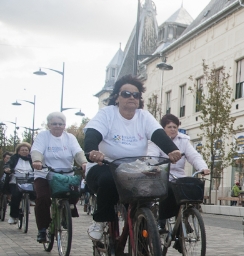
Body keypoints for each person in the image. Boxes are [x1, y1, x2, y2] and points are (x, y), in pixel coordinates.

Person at [83, 75, 181, 240]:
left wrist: (172, 150)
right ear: (117, 97)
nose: (131, 97)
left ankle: (147, 239)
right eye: (126, 93)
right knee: (108, 181)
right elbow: (93, 134)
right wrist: (93, 151)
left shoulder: (144, 116)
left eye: (135, 95)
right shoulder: (106, 114)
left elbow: (158, 134)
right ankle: (100, 221)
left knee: (163, 186)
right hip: (104, 166)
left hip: (134, 169)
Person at [30, 112, 88, 242]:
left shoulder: (70, 138)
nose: (57, 126)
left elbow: (78, 151)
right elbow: (36, 150)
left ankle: (64, 214)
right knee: (43, 198)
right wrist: (37, 161)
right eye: (54, 123)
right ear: (49, 125)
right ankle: (42, 230)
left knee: (75, 193)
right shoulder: (43, 136)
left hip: (65, 174)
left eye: (60, 124)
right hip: (45, 173)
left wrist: (83, 162)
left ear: (64, 125)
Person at [146, 113, 210, 227]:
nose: (172, 129)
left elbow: (194, 156)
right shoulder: (157, 140)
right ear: (163, 128)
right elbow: (152, 157)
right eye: (169, 127)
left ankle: (184, 218)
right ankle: (162, 222)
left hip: (179, 177)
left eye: (175, 127)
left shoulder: (183, 140)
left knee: (191, 188)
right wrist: (154, 167)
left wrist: (203, 167)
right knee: (167, 190)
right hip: (162, 175)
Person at [4, 143, 34, 225]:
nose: (24, 151)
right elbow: (8, 164)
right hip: (16, 180)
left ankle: (31, 200)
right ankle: (13, 216)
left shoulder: (32, 159)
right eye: (22, 150)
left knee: (36, 190)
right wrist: (7, 169)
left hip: (29, 180)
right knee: (16, 195)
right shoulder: (14, 158)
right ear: (18, 151)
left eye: (26, 150)